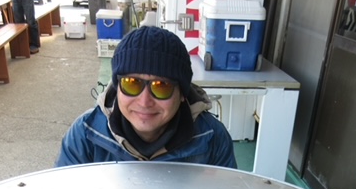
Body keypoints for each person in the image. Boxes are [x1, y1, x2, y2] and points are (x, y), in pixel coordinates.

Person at [55, 26, 236, 168]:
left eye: (161, 86)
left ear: (182, 94)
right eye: (132, 83)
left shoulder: (213, 138)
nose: (144, 102)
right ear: (117, 88)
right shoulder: (85, 134)